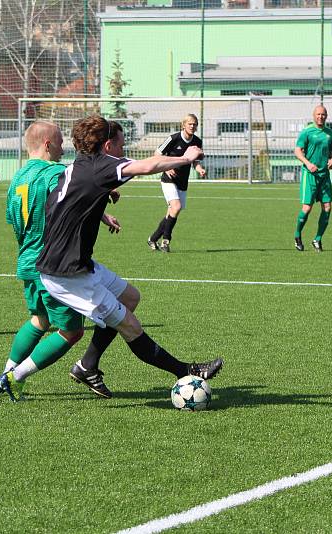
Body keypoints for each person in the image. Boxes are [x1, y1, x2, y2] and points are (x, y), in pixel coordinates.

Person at [35, 115, 223, 398]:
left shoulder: (82, 166)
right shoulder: (101, 166)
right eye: (122, 146)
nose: (124, 152)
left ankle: (87, 365)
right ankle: (187, 371)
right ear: (108, 145)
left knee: (130, 298)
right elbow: (147, 165)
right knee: (129, 326)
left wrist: (101, 209)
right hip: (66, 271)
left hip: (74, 263)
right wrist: (186, 158)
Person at [0, 121, 122, 402]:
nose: (65, 147)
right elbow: (73, 198)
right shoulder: (54, 172)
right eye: (61, 142)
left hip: (26, 260)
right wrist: (105, 194)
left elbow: (14, 220)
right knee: (72, 331)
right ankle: (13, 378)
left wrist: (101, 215)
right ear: (48, 144)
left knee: (39, 320)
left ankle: (6, 372)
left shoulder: (16, 179)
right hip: (49, 264)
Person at [147, 113, 206, 253]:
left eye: (195, 124)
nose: (192, 126)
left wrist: (199, 169)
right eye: (190, 123)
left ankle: (153, 238)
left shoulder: (197, 141)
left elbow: (195, 160)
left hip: (183, 181)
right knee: (176, 206)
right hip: (168, 179)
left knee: (172, 212)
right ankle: (166, 241)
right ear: (183, 125)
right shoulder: (174, 138)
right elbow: (157, 153)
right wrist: (166, 169)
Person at [293, 105, 332, 252]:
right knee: (307, 209)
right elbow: (297, 151)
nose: (320, 117)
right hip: (309, 175)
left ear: (326, 116)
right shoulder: (307, 132)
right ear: (313, 115)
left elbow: (331, 150)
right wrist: (308, 163)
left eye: (323, 115)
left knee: (328, 207)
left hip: (324, 176)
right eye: (318, 114)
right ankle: (297, 235)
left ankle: (317, 239)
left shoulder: (329, 133)